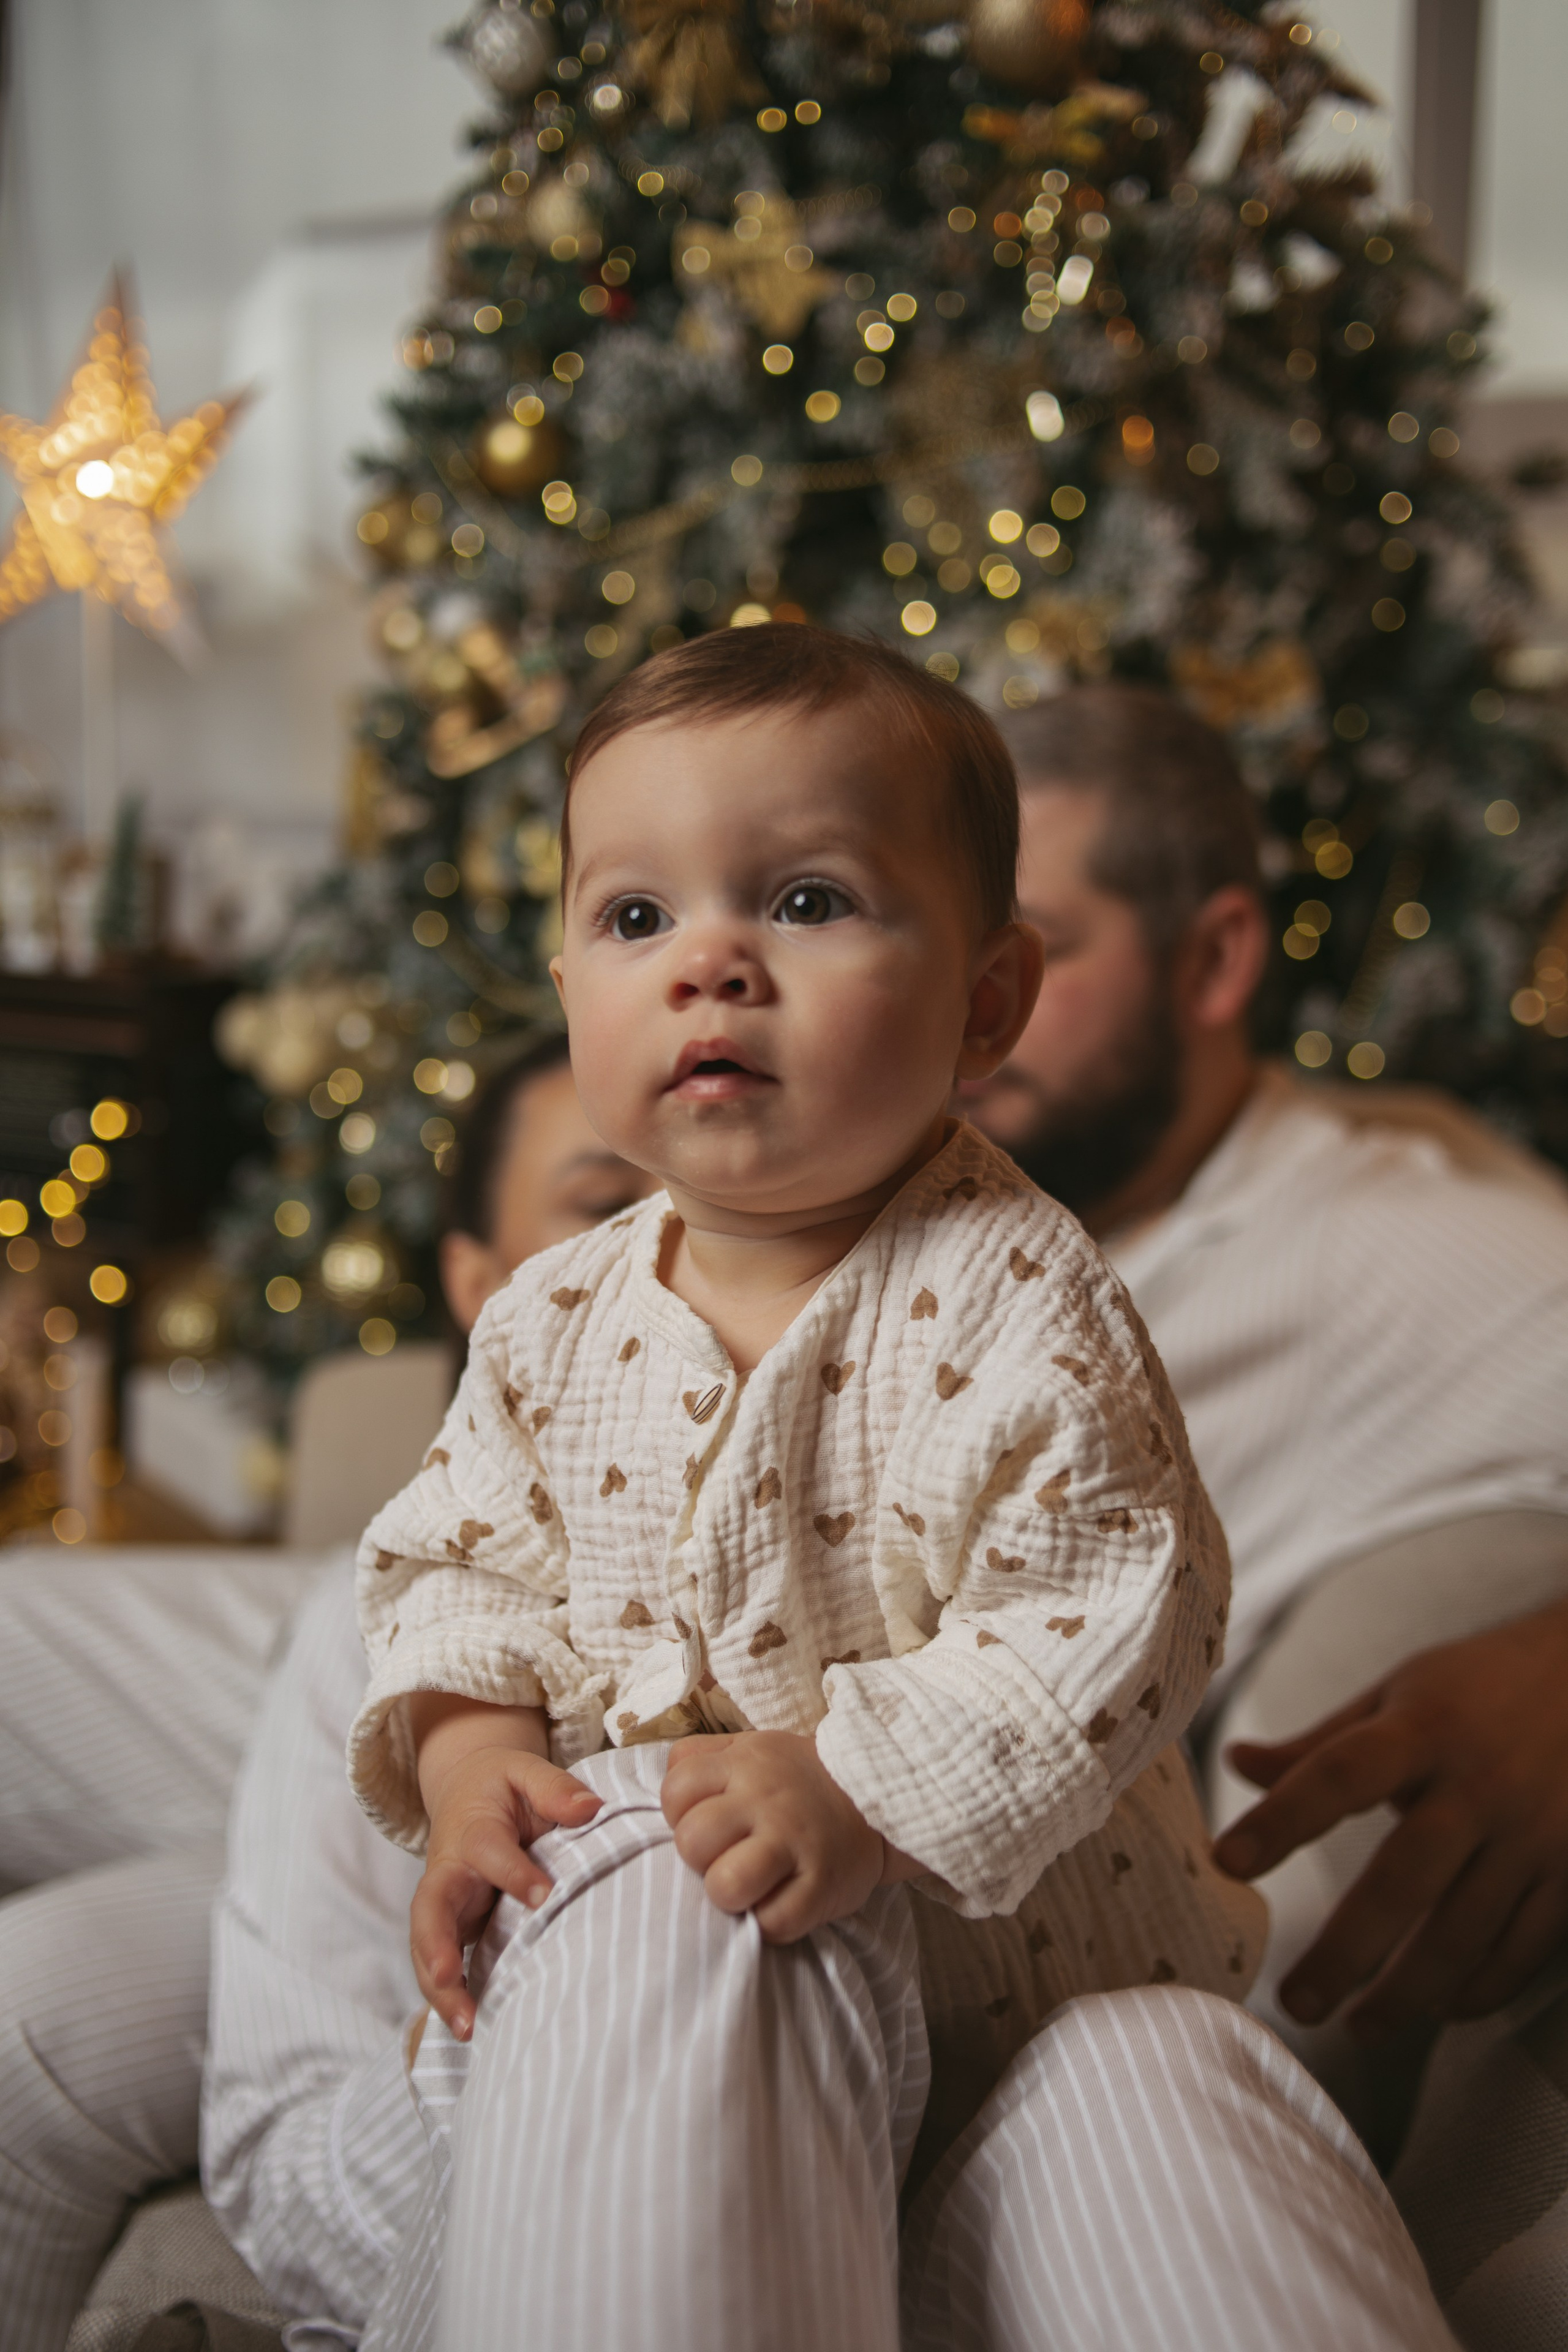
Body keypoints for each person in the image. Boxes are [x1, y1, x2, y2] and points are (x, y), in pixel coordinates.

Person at [342, 624, 1269, 2349]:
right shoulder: (549, 1316)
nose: (711, 965)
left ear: (987, 1001)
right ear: (568, 985)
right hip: (683, 2005)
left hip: (1020, 2001)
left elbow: (1112, 1614)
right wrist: (471, 1761)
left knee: (1068, 2190)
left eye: (807, 902)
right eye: (636, 918)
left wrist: (862, 1788)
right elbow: (460, 1568)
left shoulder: (1023, 1300)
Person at [962, 680, 1568, 2333]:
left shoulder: (1395, 1242)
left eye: (1035, 947)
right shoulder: (942, 1220)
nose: (969, 1007)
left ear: (1216, 959)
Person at [0, 1034, 652, 2352]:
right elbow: (294, 2159)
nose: (671, 1247)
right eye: (604, 1201)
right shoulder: (384, 1616)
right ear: (475, 1283)